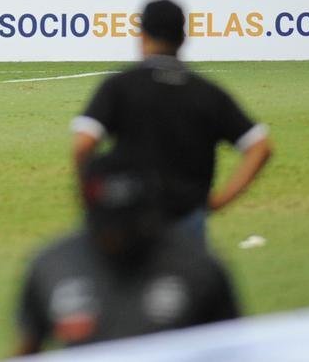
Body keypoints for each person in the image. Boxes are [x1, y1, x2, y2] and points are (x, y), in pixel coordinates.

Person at [71, 0, 272, 244]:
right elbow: (260, 147)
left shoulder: (120, 86)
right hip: (187, 216)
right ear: (184, 37)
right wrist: (219, 200)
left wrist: (91, 195)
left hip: (130, 213)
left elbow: (83, 145)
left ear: (142, 36)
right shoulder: (207, 92)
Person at [14, 151, 240, 354]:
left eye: (130, 226)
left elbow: (235, 348)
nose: (119, 237)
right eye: (109, 228)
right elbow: (28, 347)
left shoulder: (198, 269)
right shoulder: (51, 267)